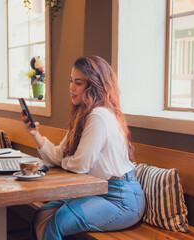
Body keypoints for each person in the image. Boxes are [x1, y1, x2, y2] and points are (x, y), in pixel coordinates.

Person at [21, 55, 145, 240]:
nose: (71, 87)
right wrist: (35, 134)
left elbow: (80, 165)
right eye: (71, 81)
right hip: (96, 190)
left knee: (56, 222)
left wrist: (65, 161)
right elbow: (59, 156)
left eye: (78, 83)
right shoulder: (84, 115)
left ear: (93, 86)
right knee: (40, 215)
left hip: (120, 199)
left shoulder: (98, 116)